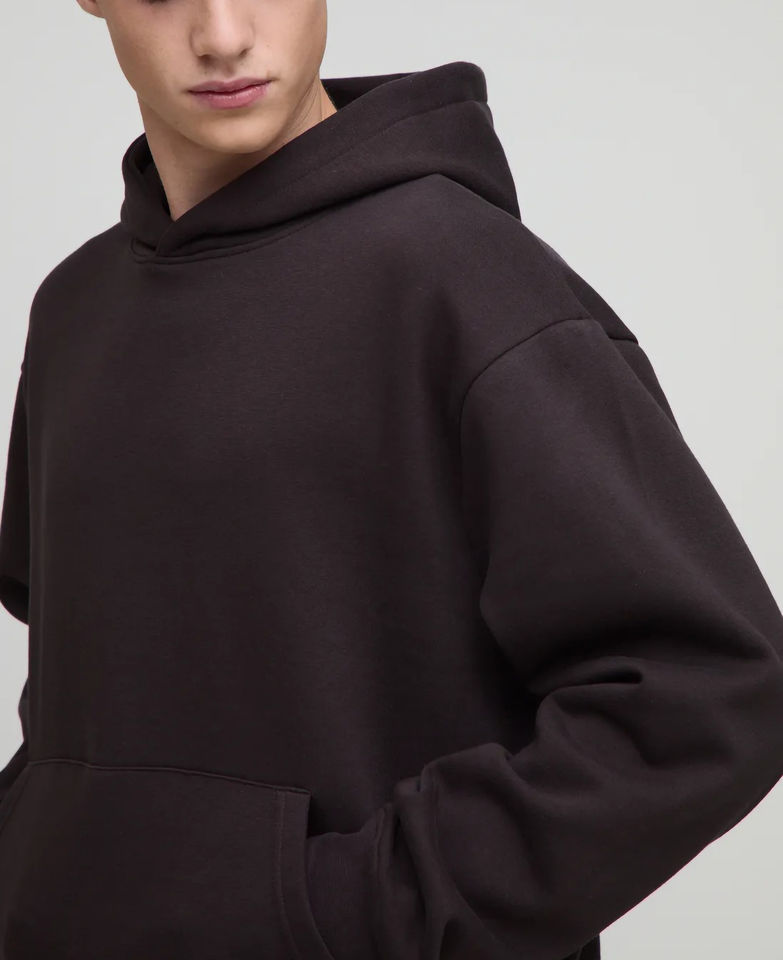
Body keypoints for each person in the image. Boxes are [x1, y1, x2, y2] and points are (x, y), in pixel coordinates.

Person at [0, 1, 781, 958]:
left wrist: (350, 912)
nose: (222, 35)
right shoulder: (75, 309)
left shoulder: (463, 278)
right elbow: (80, 683)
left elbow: (709, 691)